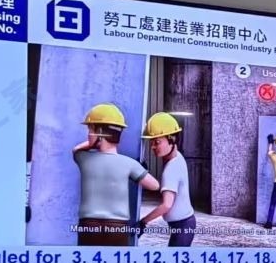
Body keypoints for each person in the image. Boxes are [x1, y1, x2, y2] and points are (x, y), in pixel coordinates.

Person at [72, 103, 159, 246]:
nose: (88, 135)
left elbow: (76, 150)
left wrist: (92, 143)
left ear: (100, 132)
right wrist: (139, 170)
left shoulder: (83, 158)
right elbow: (155, 186)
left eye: (90, 130)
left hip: (88, 226)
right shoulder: (129, 164)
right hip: (118, 227)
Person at [138, 113, 195, 247]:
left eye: (157, 142)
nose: (153, 147)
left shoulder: (171, 169)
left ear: (172, 139)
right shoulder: (177, 156)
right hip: (184, 224)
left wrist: (143, 221)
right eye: (151, 142)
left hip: (182, 226)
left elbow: (166, 205)